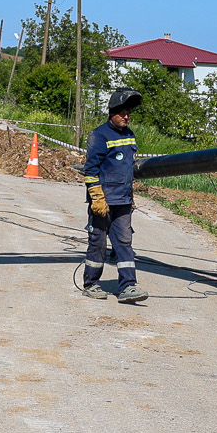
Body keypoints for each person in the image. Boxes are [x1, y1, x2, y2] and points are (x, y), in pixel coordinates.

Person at [81, 87, 147, 303]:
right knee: (98, 243)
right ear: (112, 113)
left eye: (128, 113)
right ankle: (91, 284)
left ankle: (128, 286)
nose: (126, 117)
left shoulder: (129, 135)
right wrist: (96, 196)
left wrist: (131, 196)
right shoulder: (99, 135)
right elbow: (91, 170)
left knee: (124, 243)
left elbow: (128, 168)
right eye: (122, 113)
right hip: (104, 201)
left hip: (123, 201)